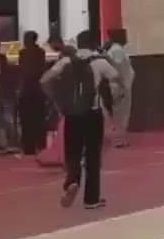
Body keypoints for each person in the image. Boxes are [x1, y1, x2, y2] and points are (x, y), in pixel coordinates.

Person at [41, 30, 121, 209]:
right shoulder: (99, 62)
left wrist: (59, 101)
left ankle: (72, 181)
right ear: (94, 43)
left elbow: (45, 80)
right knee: (93, 155)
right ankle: (91, 199)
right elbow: (117, 77)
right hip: (92, 113)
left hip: (71, 114)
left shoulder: (67, 60)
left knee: (72, 153)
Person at [17, 31, 49, 155]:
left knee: (26, 119)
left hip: (27, 89)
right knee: (39, 118)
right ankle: (41, 144)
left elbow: (23, 70)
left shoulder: (23, 53)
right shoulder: (41, 52)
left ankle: (28, 147)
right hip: (38, 89)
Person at [103, 31, 135, 148]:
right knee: (120, 114)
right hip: (121, 86)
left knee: (120, 113)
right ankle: (118, 140)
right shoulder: (117, 50)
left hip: (121, 85)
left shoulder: (116, 49)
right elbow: (118, 68)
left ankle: (119, 139)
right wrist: (123, 84)